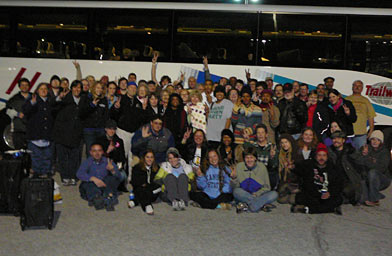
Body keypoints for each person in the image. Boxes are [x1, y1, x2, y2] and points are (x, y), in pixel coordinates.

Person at [290, 143, 343, 214]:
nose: (322, 158)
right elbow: (299, 169)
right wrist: (292, 167)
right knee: (300, 198)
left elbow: (337, 184)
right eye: (319, 155)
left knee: (338, 199)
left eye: (324, 155)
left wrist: (329, 193)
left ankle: (306, 209)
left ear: (327, 157)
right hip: (312, 194)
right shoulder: (309, 165)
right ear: (315, 156)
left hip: (326, 194)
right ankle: (331, 209)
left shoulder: (332, 168)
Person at [52, 80, 83, 186]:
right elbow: (54, 108)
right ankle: (65, 176)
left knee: (74, 157)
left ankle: (73, 176)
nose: (77, 89)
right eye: (75, 87)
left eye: (79, 87)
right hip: (63, 133)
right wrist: (59, 98)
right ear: (71, 88)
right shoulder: (64, 98)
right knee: (63, 157)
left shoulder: (83, 99)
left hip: (76, 133)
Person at [110, 81, 146, 171]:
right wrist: (116, 108)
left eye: (134, 88)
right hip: (122, 132)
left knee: (132, 157)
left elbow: (141, 119)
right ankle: (118, 175)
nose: (133, 90)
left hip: (134, 133)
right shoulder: (120, 99)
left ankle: (129, 178)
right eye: (131, 87)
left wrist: (144, 110)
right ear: (127, 88)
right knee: (120, 155)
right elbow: (112, 115)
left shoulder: (139, 103)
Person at [77, 143, 123, 211]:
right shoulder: (87, 162)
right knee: (87, 185)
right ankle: (98, 198)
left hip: (104, 183)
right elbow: (79, 173)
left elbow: (119, 177)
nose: (97, 153)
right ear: (91, 152)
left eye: (99, 150)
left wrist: (113, 170)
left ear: (102, 152)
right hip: (92, 184)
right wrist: (93, 178)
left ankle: (107, 198)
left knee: (111, 179)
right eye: (94, 151)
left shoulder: (107, 161)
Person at [22, 83, 55, 176]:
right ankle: (37, 177)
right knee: (36, 158)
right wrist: (32, 103)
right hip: (35, 136)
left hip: (47, 136)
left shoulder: (50, 102)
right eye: (41, 89)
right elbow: (25, 111)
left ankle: (46, 177)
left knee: (47, 158)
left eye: (45, 89)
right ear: (37, 90)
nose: (44, 90)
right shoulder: (32, 100)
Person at [232, 147, 278, 213]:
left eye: (251, 157)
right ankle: (259, 205)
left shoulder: (262, 167)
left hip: (258, 194)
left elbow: (267, 187)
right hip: (244, 195)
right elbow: (235, 187)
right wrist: (234, 178)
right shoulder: (239, 166)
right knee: (236, 191)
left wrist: (256, 194)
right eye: (247, 158)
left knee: (274, 194)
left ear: (255, 158)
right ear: (244, 159)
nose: (249, 160)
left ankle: (249, 206)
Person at [328, 131, 364, 205]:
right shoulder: (330, 151)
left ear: (343, 140)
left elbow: (360, 163)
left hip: (348, 179)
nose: (336, 141)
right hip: (334, 179)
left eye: (338, 138)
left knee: (348, 190)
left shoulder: (351, 151)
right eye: (334, 139)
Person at [242, 124, 279, 190]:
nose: (260, 135)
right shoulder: (253, 146)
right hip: (255, 174)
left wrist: (271, 157)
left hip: (268, 174)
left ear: (266, 134)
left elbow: (274, 166)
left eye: (262, 132)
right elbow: (247, 153)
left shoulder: (272, 147)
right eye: (258, 133)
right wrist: (246, 141)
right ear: (256, 135)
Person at [360, 130, 391, 206]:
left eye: (378, 140)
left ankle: (375, 199)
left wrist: (367, 159)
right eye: (373, 139)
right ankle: (368, 198)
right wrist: (364, 155)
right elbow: (359, 162)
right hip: (369, 177)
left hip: (383, 180)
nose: (375, 142)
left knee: (372, 172)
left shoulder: (384, 152)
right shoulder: (366, 149)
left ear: (381, 142)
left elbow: (381, 168)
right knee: (362, 177)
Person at [96, 119, 127, 191]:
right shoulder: (99, 141)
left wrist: (118, 168)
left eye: (114, 129)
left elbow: (122, 157)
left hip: (115, 166)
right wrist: (107, 151)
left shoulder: (119, 141)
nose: (111, 131)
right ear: (106, 129)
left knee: (122, 175)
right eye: (110, 129)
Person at [79, 82, 109, 156]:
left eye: (101, 88)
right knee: (90, 152)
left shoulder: (104, 100)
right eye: (97, 87)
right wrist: (91, 105)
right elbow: (82, 113)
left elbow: (106, 115)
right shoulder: (86, 98)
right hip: (89, 130)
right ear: (93, 88)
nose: (99, 90)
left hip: (100, 130)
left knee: (101, 152)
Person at [345, 80, 376, 149]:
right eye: (355, 85)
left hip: (361, 134)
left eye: (359, 86)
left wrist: (371, 130)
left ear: (362, 89)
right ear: (352, 87)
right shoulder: (347, 99)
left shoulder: (366, 101)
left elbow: (371, 116)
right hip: (348, 134)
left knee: (361, 155)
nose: (357, 87)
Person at [130, 150, 162, 215]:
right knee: (141, 189)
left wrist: (147, 185)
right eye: (147, 157)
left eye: (151, 157)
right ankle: (147, 205)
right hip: (140, 190)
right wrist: (144, 185)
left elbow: (158, 182)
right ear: (144, 158)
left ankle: (136, 201)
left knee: (157, 188)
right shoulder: (137, 168)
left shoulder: (157, 168)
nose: (149, 159)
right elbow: (134, 182)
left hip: (152, 191)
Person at [6, 77, 32, 149]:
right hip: (18, 131)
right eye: (22, 85)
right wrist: (17, 114)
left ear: (29, 86)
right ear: (19, 86)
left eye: (26, 85)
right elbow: (7, 110)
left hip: (32, 131)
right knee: (20, 153)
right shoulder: (14, 99)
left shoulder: (34, 97)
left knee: (32, 154)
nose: (24, 87)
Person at [277, 134, 301, 204]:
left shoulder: (296, 153)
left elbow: (301, 170)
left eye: (286, 142)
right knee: (281, 200)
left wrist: (293, 167)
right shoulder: (280, 154)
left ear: (290, 142)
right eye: (282, 142)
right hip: (285, 182)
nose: (284, 144)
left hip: (295, 182)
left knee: (292, 200)